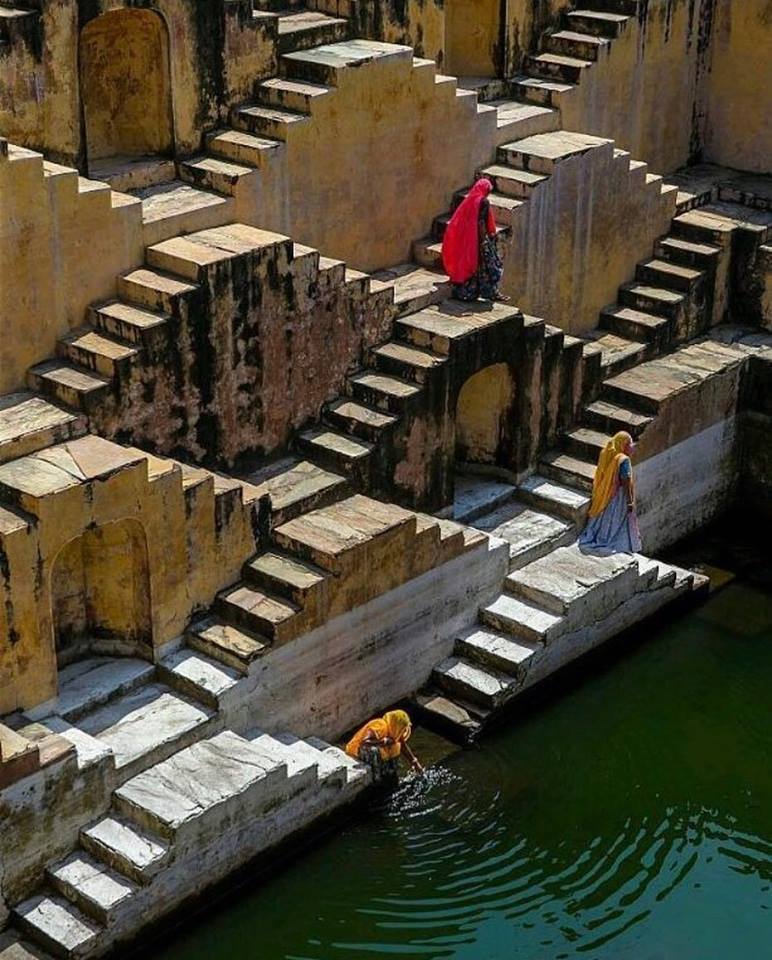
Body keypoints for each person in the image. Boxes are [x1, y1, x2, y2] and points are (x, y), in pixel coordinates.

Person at [442, 177, 504, 302]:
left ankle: (468, 292)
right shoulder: (484, 202)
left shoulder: (469, 201)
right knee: (489, 267)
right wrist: (485, 240)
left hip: (467, 240)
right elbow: (481, 222)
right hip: (479, 241)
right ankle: (491, 293)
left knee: (471, 268)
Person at [579, 430, 642, 553]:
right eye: (629, 444)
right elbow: (626, 481)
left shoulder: (607, 453)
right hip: (617, 496)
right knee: (616, 521)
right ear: (623, 445)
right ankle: (612, 541)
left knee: (603, 518)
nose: (632, 448)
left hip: (604, 493)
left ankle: (599, 536)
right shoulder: (623, 460)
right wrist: (630, 502)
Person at [345, 709, 424, 777]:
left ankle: (389, 770)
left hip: (369, 754)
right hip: (355, 752)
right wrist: (383, 742)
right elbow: (364, 742)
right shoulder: (380, 725)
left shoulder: (393, 731)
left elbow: (403, 745)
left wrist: (414, 762)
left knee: (396, 746)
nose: (402, 731)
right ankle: (377, 775)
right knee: (374, 750)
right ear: (396, 724)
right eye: (401, 728)